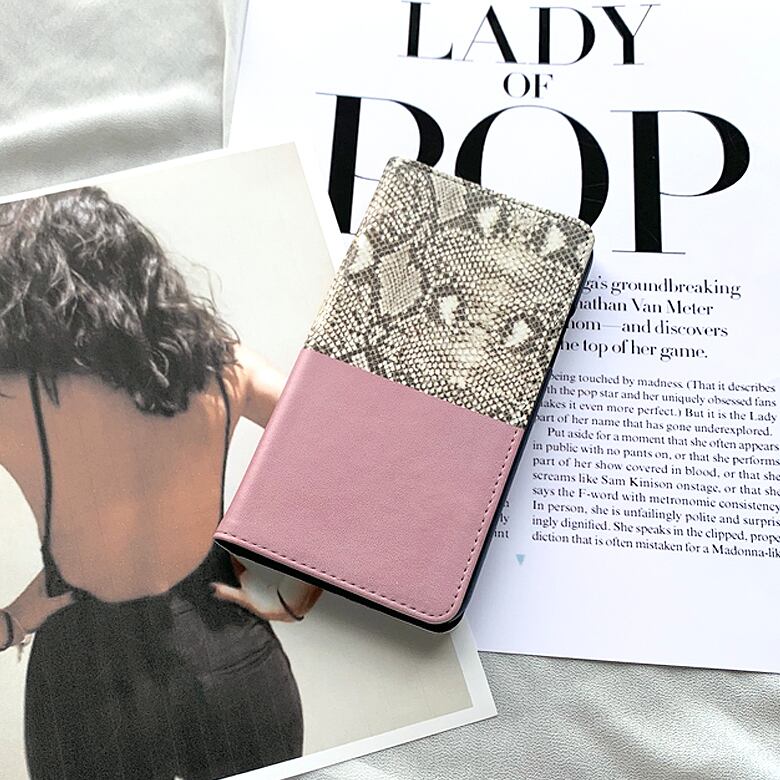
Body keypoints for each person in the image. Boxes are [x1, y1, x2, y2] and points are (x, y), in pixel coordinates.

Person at [0, 187, 322, 779]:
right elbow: (351, 447)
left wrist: (10, 622)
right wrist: (300, 585)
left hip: (85, 688)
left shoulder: (13, 398)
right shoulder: (225, 366)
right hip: (233, 657)